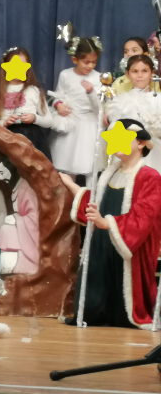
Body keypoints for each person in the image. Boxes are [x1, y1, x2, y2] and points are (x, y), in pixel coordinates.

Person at [59, 119, 161, 328]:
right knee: (94, 296)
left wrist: (106, 223)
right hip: (102, 244)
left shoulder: (150, 177)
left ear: (140, 143)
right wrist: (70, 184)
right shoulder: (108, 174)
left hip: (127, 245)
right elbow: (94, 203)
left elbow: (143, 217)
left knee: (125, 294)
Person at [0, 47, 54, 161]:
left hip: (33, 140)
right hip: (6, 138)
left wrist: (34, 118)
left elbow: (49, 121)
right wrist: (4, 122)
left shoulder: (35, 91)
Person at [49, 37, 102, 182]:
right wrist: (58, 105)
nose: (90, 66)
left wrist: (91, 92)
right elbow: (57, 95)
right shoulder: (65, 75)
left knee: (90, 165)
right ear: (75, 60)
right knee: (67, 163)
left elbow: (99, 106)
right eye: (86, 62)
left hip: (89, 126)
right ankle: (69, 195)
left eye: (94, 62)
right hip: (71, 124)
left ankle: (91, 194)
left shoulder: (97, 78)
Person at [106, 54, 161, 172]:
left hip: (153, 151)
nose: (140, 75)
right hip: (127, 150)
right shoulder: (121, 100)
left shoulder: (158, 98)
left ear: (152, 73)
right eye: (135, 71)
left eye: (144, 71)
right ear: (128, 74)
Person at [0, 157, 39, 274]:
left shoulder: (26, 188)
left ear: (12, 169)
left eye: (2, 173)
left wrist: (16, 219)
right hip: (18, 233)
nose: (0, 178)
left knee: (6, 229)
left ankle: (25, 262)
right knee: (5, 229)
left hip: (28, 239)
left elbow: (34, 217)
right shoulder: (17, 188)